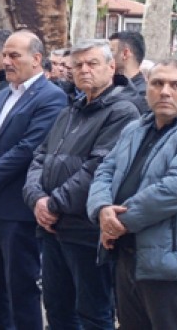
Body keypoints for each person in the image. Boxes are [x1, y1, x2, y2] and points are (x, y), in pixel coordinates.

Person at [23, 39, 141, 330]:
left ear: (111, 67)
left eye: (92, 63)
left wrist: (53, 204)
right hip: (52, 228)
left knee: (93, 313)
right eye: (77, 65)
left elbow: (98, 167)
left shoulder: (122, 111)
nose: (84, 70)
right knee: (57, 308)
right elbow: (40, 156)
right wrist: (36, 198)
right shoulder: (70, 111)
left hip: (86, 230)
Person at [0, 30, 67, 330]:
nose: (6, 61)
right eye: (4, 55)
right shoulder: (2, 95)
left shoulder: (51, 97)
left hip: (17, 207)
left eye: (14, 55)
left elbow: (29, 147)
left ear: (36, 59)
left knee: (21, 289)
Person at [87, 59, 177, 329]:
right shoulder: (135, 129)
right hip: (128, 255)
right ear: (147, 88)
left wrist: (120, 222)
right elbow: (105, 170)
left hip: (171, 265)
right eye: (157, 83)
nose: (165, 91)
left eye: (176, 85)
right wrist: (101, 209)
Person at [108, 30, 147, 96]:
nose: (107, 57)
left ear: (125, 54)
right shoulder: (111, 87)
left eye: (111, 51)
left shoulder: (141, 95)